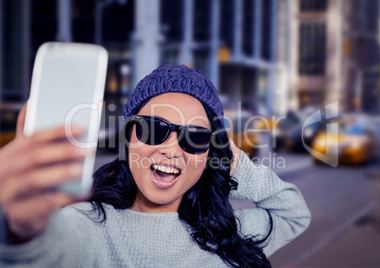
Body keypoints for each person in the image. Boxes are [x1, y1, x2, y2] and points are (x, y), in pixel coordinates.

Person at [0, 64, 311, 267]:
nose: (171, 150)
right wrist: (22, 230)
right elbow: (39, 250)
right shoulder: (86, 227)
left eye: (195, 137)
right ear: (129, 137)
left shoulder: (229, 235)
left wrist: (236, 163)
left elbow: (294, 212)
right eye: (154, 129)